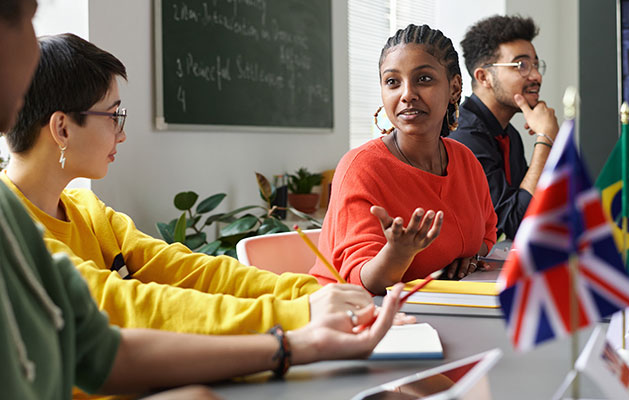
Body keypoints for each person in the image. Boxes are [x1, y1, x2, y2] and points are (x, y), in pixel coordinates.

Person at [0, 2, 405, 398]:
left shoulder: (88, 212)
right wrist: (301, 318)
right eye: (113, 116)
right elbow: (132, 307)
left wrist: (309, 294)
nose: (121, 134)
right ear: (63, 128)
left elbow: (191, 271)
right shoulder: (19, 228)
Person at [310, 24, 498, 295]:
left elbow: (487, 234)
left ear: (455, 87)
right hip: (355, 317)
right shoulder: (362, 167)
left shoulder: (465, 160)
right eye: (392, 82)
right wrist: (398, 253)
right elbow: (365, 282)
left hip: (435, 311)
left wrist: (467, 259)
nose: (407, 94)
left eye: (423, 79)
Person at [449, 15, 559, 240]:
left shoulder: (510, 135)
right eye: (521, 65)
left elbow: (539, 212)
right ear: (484, 77)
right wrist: (545, 139)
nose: (536, 76)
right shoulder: (464, 134)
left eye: (536, 65)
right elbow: (515, 224)